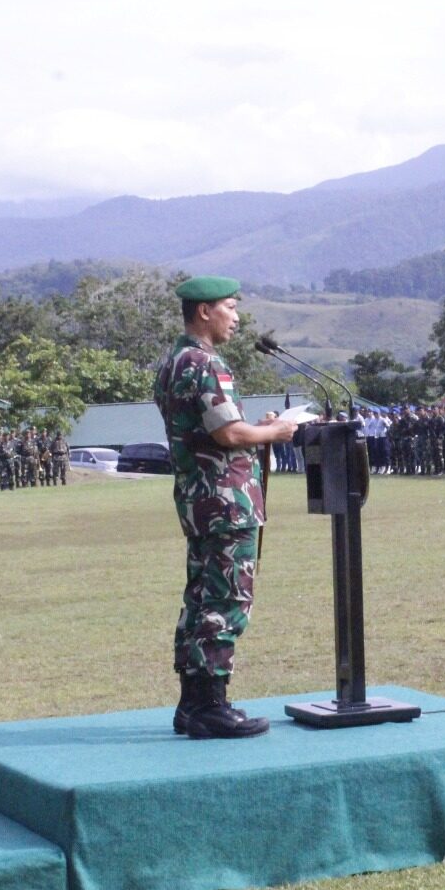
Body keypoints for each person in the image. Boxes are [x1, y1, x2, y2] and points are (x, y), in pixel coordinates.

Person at [154, 275, 296, 739]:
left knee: (199, 598)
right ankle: (211, 705)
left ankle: (192, 705)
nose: (236, 318)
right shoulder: (206, 363)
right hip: (225, 500)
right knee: (226, 598)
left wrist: (256, 428)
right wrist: (274, 433)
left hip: (199, 498)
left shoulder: (174, 362)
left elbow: (216, 430)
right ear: (204, 312)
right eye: (229, 308)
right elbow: (228, 436)